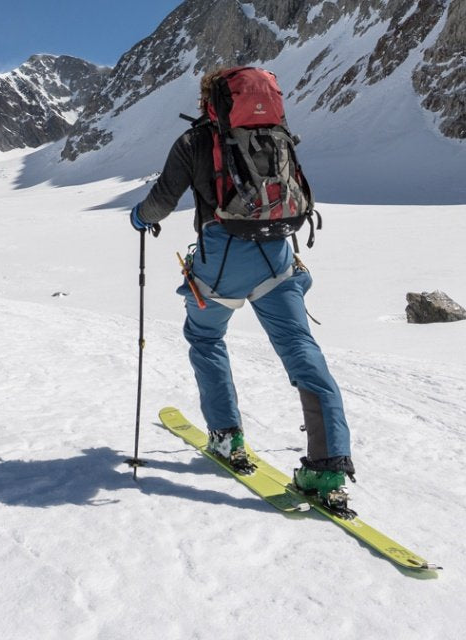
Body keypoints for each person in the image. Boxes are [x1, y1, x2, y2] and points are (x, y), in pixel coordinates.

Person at [128, 68, 357, 517]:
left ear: (209, 100)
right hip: (277, 259)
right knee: (300, 348)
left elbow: (162, 199)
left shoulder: (195, 142)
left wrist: (140, 217)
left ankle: (226, 435)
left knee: (206, 337)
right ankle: (327, 468)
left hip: (222, 264)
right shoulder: (277, 135)